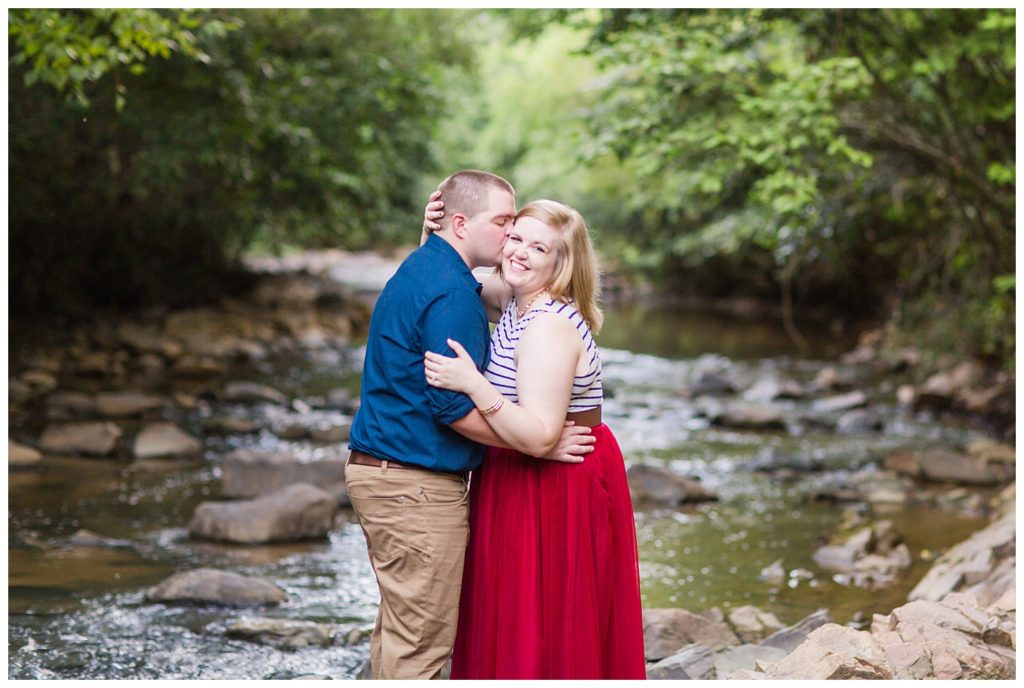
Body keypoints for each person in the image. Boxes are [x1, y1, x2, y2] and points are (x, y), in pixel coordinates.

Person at [345, 170, 595, 680]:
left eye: (529, 239)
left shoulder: (442, 274)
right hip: (415, 484)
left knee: (409, 630)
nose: (512, 242)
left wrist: (534, 439)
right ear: (460, 224)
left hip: (403, 473)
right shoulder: (455, 293)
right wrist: (539, 446)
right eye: (507, 226)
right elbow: (450, 408)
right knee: (421, 639)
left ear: (560, 261)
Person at [422, 198, 647, 679]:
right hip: (518, 463)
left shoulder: (548, 325)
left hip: (560, 477)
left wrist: (473, 383)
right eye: (516, 237)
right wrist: (433, 234)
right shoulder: (512, 300)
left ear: (560, 264)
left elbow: (544, 436)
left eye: (537, 246)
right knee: (511, 612)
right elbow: (446, 280)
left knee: (547, 621)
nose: (519, 252)